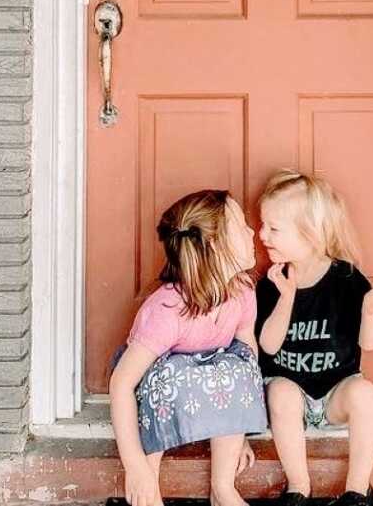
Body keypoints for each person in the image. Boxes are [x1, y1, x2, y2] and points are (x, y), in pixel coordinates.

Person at [109, 189, 267, 506]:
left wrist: (239, 427)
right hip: (160, 385)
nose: (252, 232)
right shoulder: (168, 311)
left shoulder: (243, 291)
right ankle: (148, 488)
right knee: (160, 376)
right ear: (215, 245)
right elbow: (121, 384)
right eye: (241, 226)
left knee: (240, 364)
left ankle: (222, 488)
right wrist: (134, 464)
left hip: (206, 379)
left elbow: (248, 358)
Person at [256, 171, 373, 506]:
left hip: (337, 392)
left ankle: (357, 490)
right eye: (263, 225)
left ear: (310, 233)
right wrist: (287, 296)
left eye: (273, 228)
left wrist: (367, 311)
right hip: (292, 398)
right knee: (279, 392)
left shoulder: (346, 278)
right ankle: (298, 487)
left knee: (365, 394)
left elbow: (369, 343)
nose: (262, 235)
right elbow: (268, 345)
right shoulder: (272, 283)